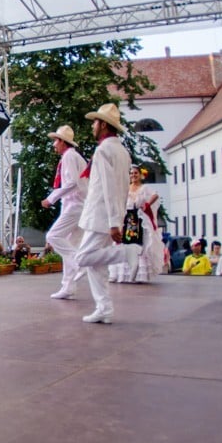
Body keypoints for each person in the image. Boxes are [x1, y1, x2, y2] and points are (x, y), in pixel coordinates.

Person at [74, 103, 131, 324]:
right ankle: (104, 308)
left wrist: (114, 222)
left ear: (104, 125)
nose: (93, 127)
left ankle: (126, 254)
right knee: (97, 267)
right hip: (109, 216)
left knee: (83, 258)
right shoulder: (122, 152)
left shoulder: (104, 150)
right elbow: (123, 188)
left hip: (101, 216)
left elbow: (108, 187)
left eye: (95, 122)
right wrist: (119, 217)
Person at [41, 125, 88, 299]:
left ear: (62, 141)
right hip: (79, 205)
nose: (54, 145)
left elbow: (71, 183)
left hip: (74, 205)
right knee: (70, 243)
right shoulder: (74, 157)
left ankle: (79, 262)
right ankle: (68, 286)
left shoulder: (69, 156)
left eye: (55, 141)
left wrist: (50, 199)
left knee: (53, 236)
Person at [110, 165, 162, 283]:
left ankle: (138, 275)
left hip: (138, 219)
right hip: (126, 219)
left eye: (135, 173)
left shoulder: (144, 188)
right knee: (122, 244)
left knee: (138, 245)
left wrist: (147, 204)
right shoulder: (126, 188)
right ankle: (119, 274)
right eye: (131, 173)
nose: (133, 175)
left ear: (140, 175)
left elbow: (155, 195)